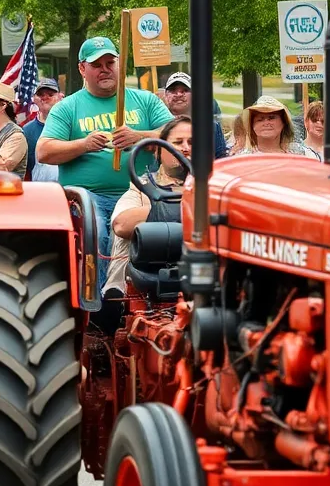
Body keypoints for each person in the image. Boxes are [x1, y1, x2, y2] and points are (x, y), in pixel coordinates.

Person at [36, 36, 172, 297]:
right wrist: (83, 144)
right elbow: (44, 151)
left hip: (142, 192)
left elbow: (174, 132)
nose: (105, 69)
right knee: (96, 231)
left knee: (159, 232)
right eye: (97, 64)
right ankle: (96, 302)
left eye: (110, 62)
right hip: (88, 196)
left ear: (120, 65)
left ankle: (148, 298)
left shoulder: (145, 101)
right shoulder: (68, 107)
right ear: (82, 69)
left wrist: (140, 137)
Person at [102, 117, 193, 322]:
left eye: (193, 143)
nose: (186, 148)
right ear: (159, 150)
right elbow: (122, 224)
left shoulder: (217, 188)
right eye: (178, 143)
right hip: (149, 270)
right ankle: (115, 296)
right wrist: (185, 205)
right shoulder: (143, 186)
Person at [162, 72, 227, 158]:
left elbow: (221, 158)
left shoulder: (212, 127)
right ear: (166, 95)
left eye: (185, 90)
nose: (179, 94)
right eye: (173, 90)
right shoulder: (159, 125)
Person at [238, 96, 319, 158]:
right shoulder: (242, 159)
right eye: (260, 119)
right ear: (252, 125)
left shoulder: (303, 154)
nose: (266, 123)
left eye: (271, 118)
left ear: (284, 122)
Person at [23, 78, 63, 181]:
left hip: (70, 190)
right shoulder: (27, 130)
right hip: (40, 190)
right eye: (41, 94)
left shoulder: (71, 124)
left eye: (50, 94)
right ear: (34, 99)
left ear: (60, 96)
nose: (45, 98)